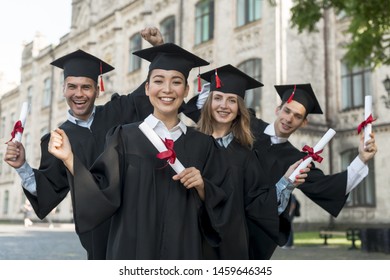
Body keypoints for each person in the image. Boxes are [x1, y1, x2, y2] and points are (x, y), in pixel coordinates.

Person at [48, 43, 233, 260]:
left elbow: (225, 207)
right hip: (132, 254)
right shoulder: (123, 138)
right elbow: (101, 195)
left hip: (183, 254)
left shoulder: (203, 145)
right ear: (146, 89)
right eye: (158, 81)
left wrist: (203, 187)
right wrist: (69, 159)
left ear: (186, 90)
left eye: (176, 82)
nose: (167, 89)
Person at [3, 28, 169, 259]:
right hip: (97, 231)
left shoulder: (117, 111)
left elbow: (150, 92)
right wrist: (22, 166)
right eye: (72, 86)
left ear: (98, 89)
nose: (78, 93)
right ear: (63, 89)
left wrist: (158, 49)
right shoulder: (58, 139)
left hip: (136, 221)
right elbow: (47, 191)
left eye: (86, 87)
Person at [248, 83, 378, 259]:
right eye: (287, 111)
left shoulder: (296, 161)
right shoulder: (248, 125)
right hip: (218, 217)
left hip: (251, 235)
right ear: (278, 109)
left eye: (297, 116)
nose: (289, 119)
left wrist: (361, 159)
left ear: (304, 122)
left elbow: (330, 187)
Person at [196, 64, 310, 259]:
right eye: (218, 98)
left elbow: (258, 206)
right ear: (208, 102)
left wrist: (286, 182)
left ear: (239, 109)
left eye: (232, 100)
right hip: (190, 244)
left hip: (229, 248)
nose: (224, 105)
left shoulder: (246, 156)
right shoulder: (188, 144)